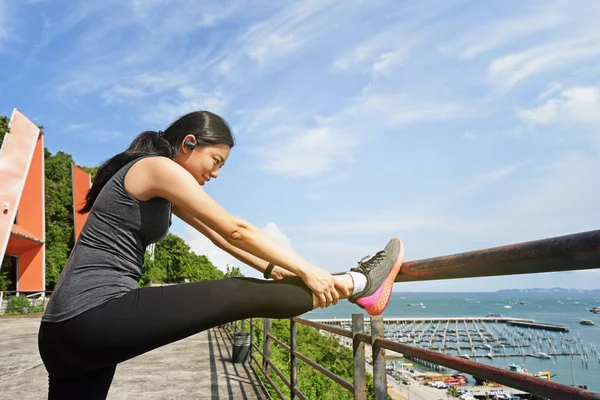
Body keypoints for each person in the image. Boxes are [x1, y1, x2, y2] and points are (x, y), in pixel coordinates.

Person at [37, 110, 405, 399]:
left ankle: (352, 285)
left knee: (244, 288)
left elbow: (219, 238)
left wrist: (273, 266)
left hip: (63, 332)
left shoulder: (160, 184)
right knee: (233, 292)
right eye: (216, 161)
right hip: (89, 315)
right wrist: (310, 271)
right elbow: (235, 228)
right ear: (189, 143)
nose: (216, 173)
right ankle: (357, 283)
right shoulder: (157, 168)